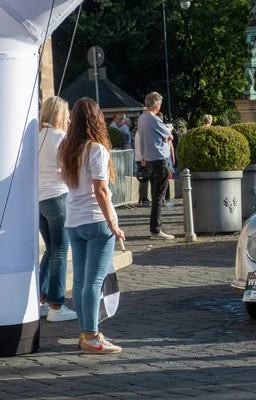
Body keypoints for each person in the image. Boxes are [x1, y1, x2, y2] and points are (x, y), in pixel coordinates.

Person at [57, 97, 125, 354]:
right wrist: (113, 224)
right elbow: (101, 190)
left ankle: (87, 333)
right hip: (96, 221)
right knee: (94, 281)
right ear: (97, 119)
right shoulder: (97, 149)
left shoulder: (66, 147)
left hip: (74, 220)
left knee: (83, 282)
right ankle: (91, 336)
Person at [37, 96, 78, 322]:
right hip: (58, 196)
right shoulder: (60, 138)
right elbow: (68, 171)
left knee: (51, 251)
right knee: (61, 251)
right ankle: (56, 305)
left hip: (40, 200)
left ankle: (42, 300)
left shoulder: (37, 137)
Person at [138, 92, 175, 240]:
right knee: (159, 197)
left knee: (155, 195)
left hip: (149, 160)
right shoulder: (153, 119)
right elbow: (169, 135)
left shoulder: (141, 118)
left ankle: (156, 227)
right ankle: (156, 229)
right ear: (157, 105)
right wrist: (167, 137)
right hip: (159, 159)